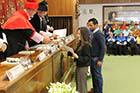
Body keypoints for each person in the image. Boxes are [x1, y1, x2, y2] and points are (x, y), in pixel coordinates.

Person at [67, 27, 92, 93]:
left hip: (83, 67)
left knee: (82, 87)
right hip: (79, 66)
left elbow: (87, 59)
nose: (77, 35)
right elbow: (75, 52)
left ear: (83, 34)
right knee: (79, 86)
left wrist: (77, 57)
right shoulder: (80, 44)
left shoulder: (86, 45)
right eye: (77, 33)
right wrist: (68, 51)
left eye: (79, 34)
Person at [88, 18, 106, 93]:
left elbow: (103, 48)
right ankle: (95, 90)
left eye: (91, 25)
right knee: (94, 76)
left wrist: (100, 60)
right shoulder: (94, 33)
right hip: (93, 58)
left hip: (97, 59)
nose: (89, 27)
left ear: (96, 25)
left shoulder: (99, 34)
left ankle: (99, 91)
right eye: (88, 25)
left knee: (97, 76)